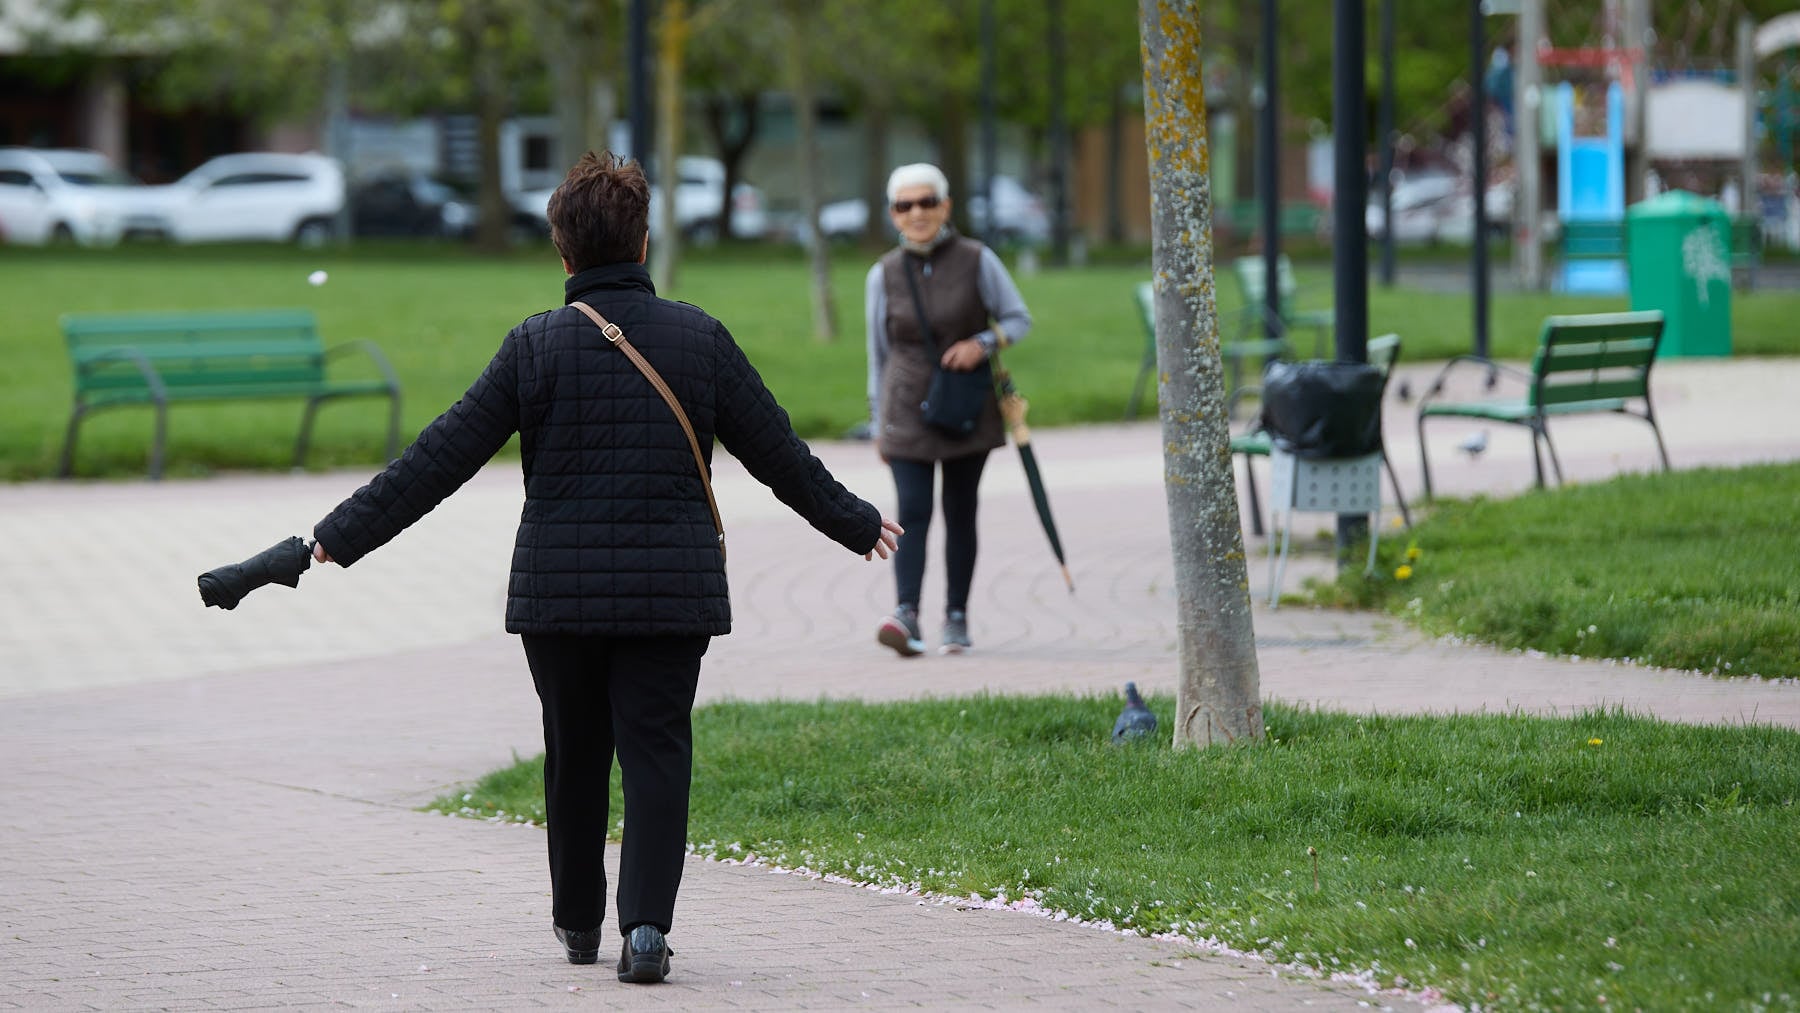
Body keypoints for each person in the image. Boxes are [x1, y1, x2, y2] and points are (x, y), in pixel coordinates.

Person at [308, 152, 901, 982]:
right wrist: (858, 520)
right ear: (646, 242)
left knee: (574, 750)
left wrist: (337, 536)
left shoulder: (533, 348)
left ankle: (578, 921)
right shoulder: (699, 338)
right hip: (672, 591)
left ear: (562, 253)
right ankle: (647, 928)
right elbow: (781, 455)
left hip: (559, 597)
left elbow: (435, 459)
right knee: (657, 750)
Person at [865, 163, 1032, 658]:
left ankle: (956, 616)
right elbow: (877, 353)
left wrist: (983, 342)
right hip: (906, 405)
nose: (917, 213)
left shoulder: (978, 260)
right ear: (893, 215)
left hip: (964, 403)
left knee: (962, 511)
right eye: (904, 205)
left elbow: (1018, 318)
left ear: (945, 207)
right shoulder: (884, 274)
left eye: (926, 202)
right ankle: (906, 613)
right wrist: (877, 421)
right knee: (911, 512)